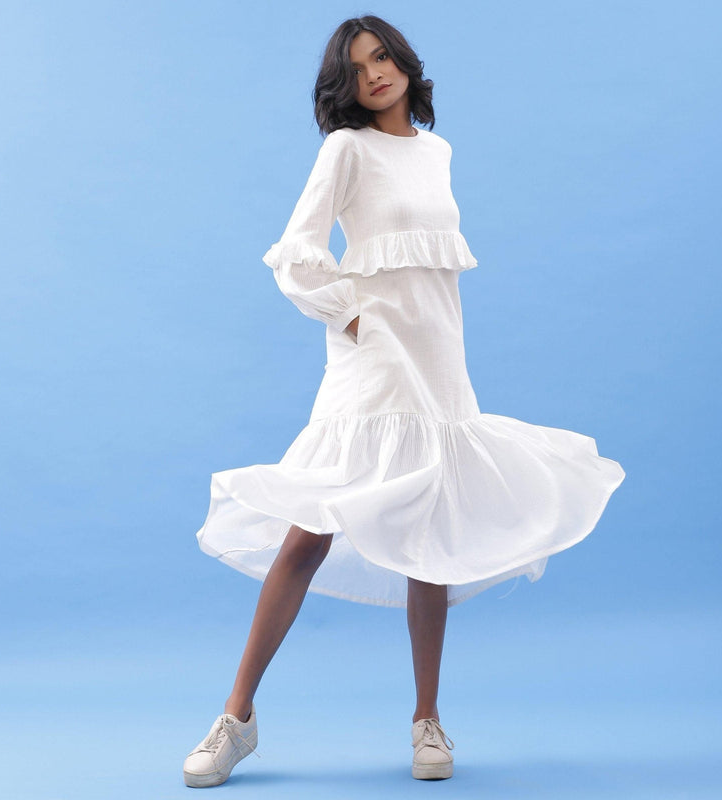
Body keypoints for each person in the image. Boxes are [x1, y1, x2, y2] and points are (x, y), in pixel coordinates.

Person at [183, 14, 626, 788]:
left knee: (434, 539)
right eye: (357, 68)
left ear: (405, 64)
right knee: (307, 531)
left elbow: (434, 271)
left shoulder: (439, 152)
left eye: (382, 57)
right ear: (344, 86)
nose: (375, 74)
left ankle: (428, 720)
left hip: (440, 361)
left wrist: (436, 355)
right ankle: (237, 717)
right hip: (372, 362)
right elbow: (297, 250)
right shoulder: (345, 149)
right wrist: (351, 316)